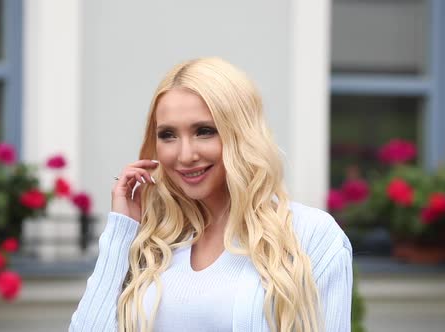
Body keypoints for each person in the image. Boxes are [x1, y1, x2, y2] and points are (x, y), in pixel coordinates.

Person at [69, 58, 352, 332]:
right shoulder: (153, 242)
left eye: (204, 131)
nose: (185, 155)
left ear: (240, 134)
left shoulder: (308, 235)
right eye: (168, 135)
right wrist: (122, 228)